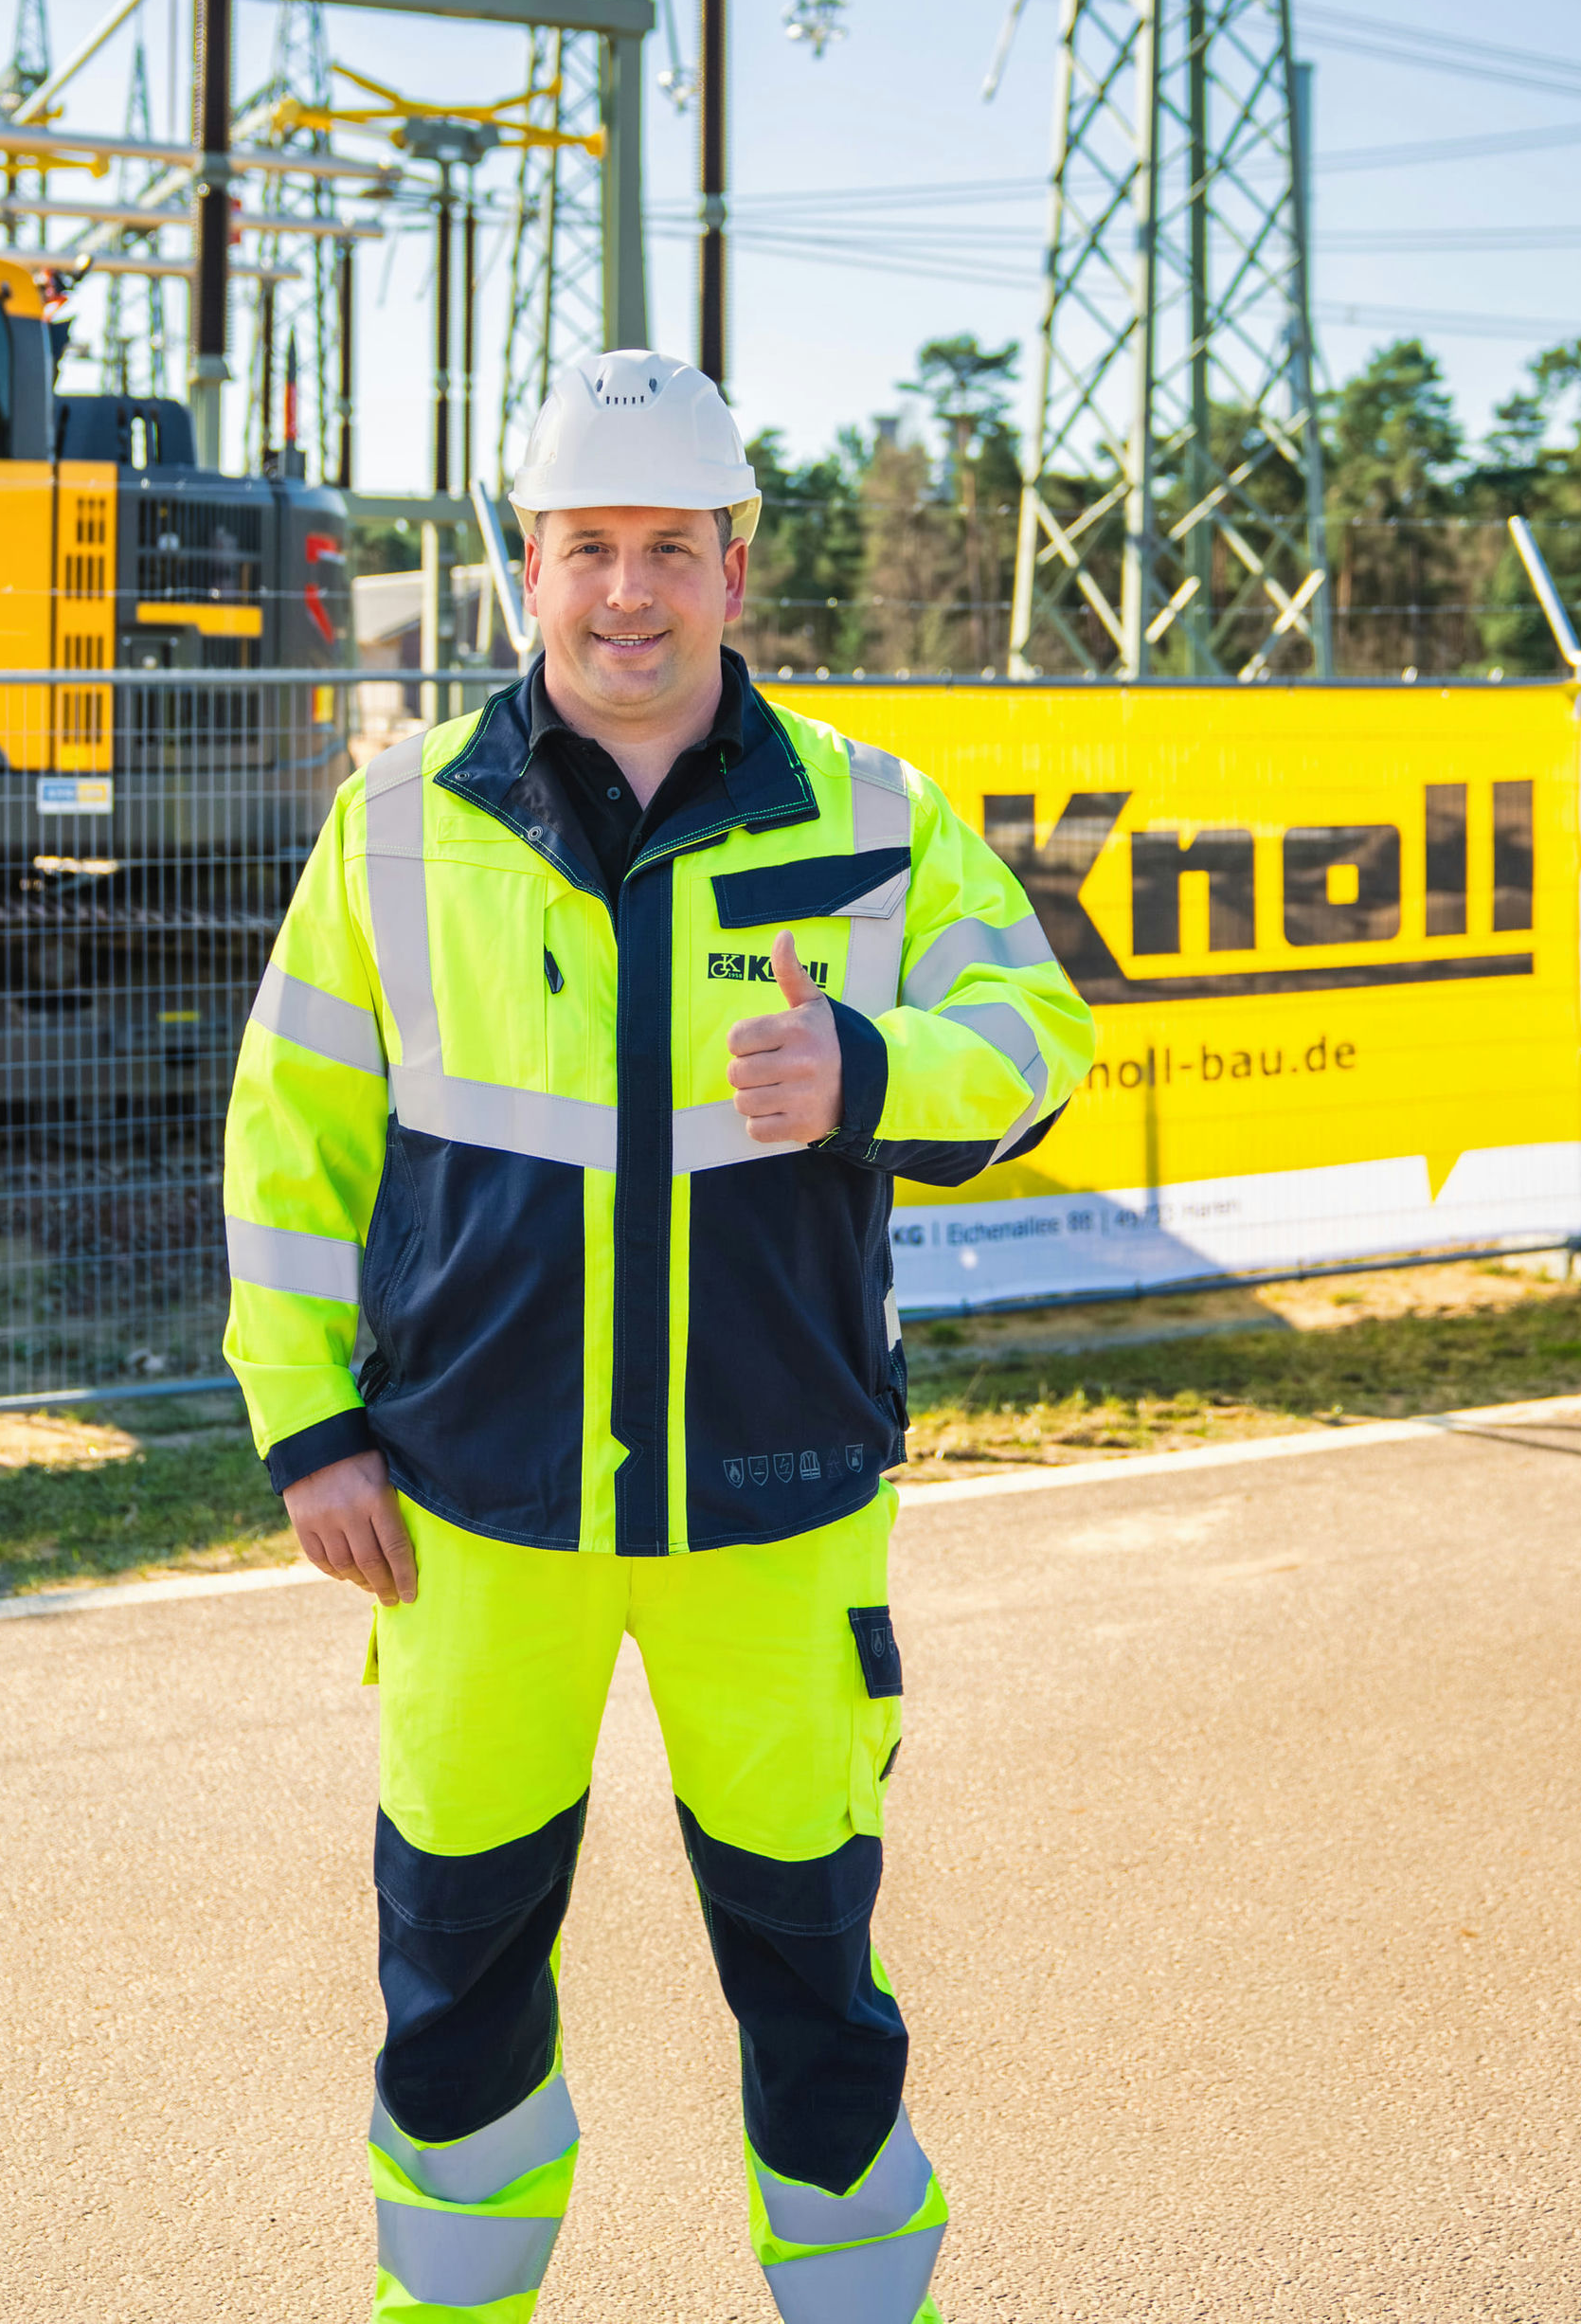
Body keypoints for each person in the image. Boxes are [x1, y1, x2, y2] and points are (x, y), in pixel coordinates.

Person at [224, 349, 1095, 2324]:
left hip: (773, 1507)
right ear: (527, 566)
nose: (630, 591)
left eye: (672, 549)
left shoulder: (873, 811)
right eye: (590, 547)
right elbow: (292, 1148)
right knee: (453, 1988)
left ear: (736, 568)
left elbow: (1040, 1041)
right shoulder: (391, 825)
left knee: (813, 1991)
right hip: (471, 1513)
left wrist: (873, 1067)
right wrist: (311, 1430)